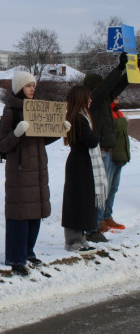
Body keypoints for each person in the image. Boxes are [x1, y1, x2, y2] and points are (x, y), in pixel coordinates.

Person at [0, 71, 69, 276]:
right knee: (19, 214)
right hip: (20, 171)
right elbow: (2, 145)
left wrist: (57, 131)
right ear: (19, 88)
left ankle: (28, 251)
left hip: (37, 170)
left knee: (35, 214)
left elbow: (41, 139)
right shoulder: (11, 110)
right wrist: (16, 133)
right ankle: (15, 257)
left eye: (33, 85)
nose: (32, 89)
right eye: (28, 86)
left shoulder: (37, 109)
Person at [82, 52, 130, 241]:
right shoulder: (93, 99)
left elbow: (117, 86)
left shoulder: (103, 98)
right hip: (100, 151)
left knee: (110, 188)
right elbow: (105, 89)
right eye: (99, 84)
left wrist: (131, 71)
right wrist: (118, 68)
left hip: (110, 151)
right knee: (101, 190)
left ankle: (104, 218)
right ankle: (97, 223)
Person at [61, 85, 102, 253]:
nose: (91, 100)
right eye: (88, 97)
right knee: (77, 201)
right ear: (81, 99)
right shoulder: (78, 118)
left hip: (81, 163)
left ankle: (80, 237)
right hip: (79, 164)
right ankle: (73, 240)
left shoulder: (80, 117)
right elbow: (90, 141)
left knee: (83, 201)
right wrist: (99, 135)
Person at [105, 97, 131, 229]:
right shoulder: (106, 111)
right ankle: (101, 219)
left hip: (119, 156)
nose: (118, 98)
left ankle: (108, 216)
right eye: (115, 96)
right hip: (111, 155)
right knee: (106, 189)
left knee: (113, 189)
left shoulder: (117, 111)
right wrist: (123, 120)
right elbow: (112, 127)